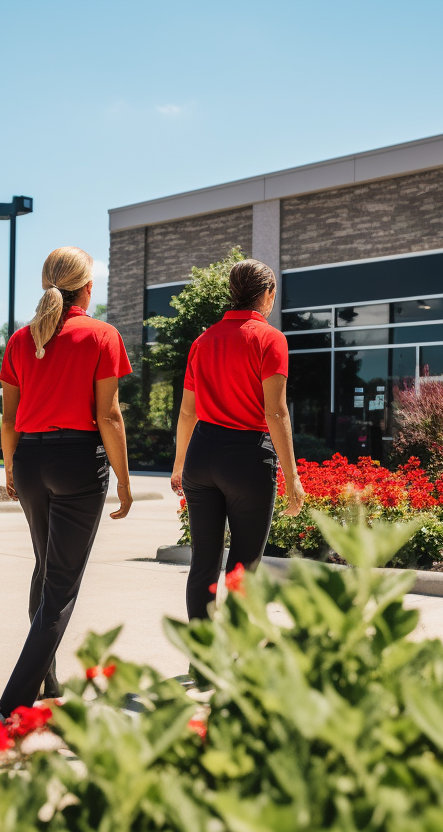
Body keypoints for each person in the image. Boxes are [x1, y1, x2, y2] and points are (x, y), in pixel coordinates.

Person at [0, 247, 133, 717]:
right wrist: (124, 479)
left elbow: (9, 421)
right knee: (61, 583)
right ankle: (18, 694)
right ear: (88, 287)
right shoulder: (102, 335)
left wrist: (12, 468)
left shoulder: (20, 340)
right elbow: (109, 416)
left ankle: (48, 678)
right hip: (78, 461)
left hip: (31, 459)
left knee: (45, 565)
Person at [171, 259, 305, 621]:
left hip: (201, 454)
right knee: (244, 566)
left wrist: (179, 464)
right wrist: (292, 476)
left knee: (203, 562)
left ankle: (201, 659)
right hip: (246, 457)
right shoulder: (270, 338)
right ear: (267, 294)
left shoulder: (203, 340)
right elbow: (275, 412)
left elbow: (187, 412)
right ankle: (238, 658)